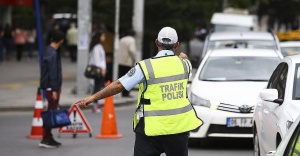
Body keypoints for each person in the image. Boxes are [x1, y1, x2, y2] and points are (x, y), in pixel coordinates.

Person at [77, 27, 203, 156]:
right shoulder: (185, 65)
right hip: (178, 127)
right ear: (177, 45)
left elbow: (119, 85)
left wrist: (92, 98)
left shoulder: (145, 67)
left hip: (150, 128)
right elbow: (185, 57)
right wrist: (181, 55)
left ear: (156, 43)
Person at [39, 30, 64, 148]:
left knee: (51, 111)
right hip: (51, 87)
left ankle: (48, 137)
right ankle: (46, 138)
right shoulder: (52, 53)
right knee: (51, 112)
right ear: (61, 41)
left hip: (49, 86)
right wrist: (54, 89)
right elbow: (52, 73)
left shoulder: (48, 51)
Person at [88, 30, 106, 113]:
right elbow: (97, 60)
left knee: (98, 87)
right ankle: (95, 105)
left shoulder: (99, 46)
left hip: (100, 70)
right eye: (103, 36)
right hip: (98, 70)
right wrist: (101, 69)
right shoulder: (96, 47)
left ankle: (96, 104)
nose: (104, 38)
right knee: (97, 87)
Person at [118, 29, 136, 97]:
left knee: (122, 78)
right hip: (127, 62)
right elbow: (132, 50)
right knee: (128, 78)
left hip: (120, 61)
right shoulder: (131, 40)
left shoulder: (122, 39)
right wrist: (134, 59)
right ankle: (126, 93)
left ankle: (122, 92)